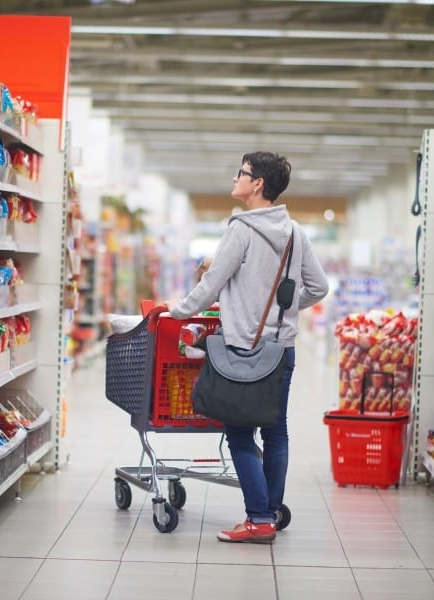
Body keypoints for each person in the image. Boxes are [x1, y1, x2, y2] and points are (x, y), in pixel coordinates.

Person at [167, 151, 329, 544]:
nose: (235, 178)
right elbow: (319, 287)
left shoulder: (241, 229)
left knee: (240, 435)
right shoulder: (294, 232)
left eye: (241, 173)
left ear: (257, 184)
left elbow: (212, 285)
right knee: (276, 433)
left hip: (243, 348)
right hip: (281, 349)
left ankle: (258, 519)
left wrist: (178, 311)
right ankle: (270, 511)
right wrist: (283, 309)